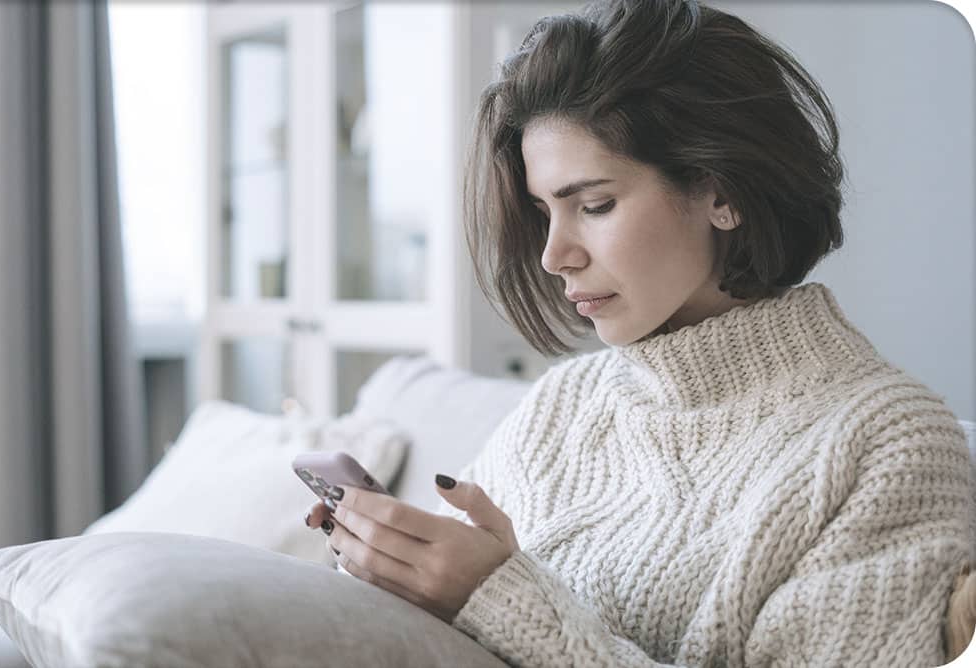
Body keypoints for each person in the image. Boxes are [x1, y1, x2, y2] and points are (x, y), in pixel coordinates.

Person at [305, 0, 976, 665]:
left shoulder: (889, 444)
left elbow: (500, 606)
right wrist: (379, 562)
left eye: (593, 205)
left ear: (723, 193)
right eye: (543, 213)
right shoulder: (562, 404)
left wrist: (500, 599)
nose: (552, 254)